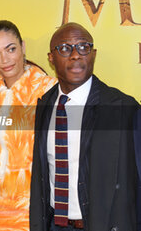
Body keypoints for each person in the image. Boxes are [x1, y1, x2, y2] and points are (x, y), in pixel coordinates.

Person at [30, 22, 139, 231]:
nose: (75, 55)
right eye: (64, 48)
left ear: (93, 54)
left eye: (83, 47)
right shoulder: (44, 105)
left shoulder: (124, 109)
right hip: (54, 225)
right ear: (50, 58)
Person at [0, 20, 57, 231]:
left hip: (35, 207)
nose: (5, 60)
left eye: (11, 49)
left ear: (23, 47)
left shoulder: (48, 89)